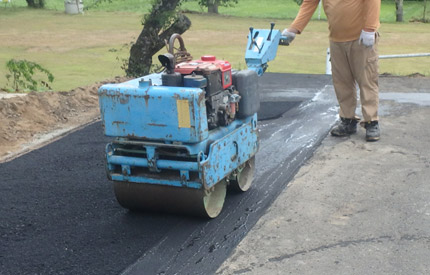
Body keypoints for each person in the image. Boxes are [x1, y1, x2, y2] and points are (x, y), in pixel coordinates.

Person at [283, 0, 381, 141]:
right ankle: (348, 120)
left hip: (362, 37)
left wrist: (370, 28)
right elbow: (310, 2)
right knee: (342, 82)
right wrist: (294, 29)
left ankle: (372, 122)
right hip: (336, 39)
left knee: (367, 80)